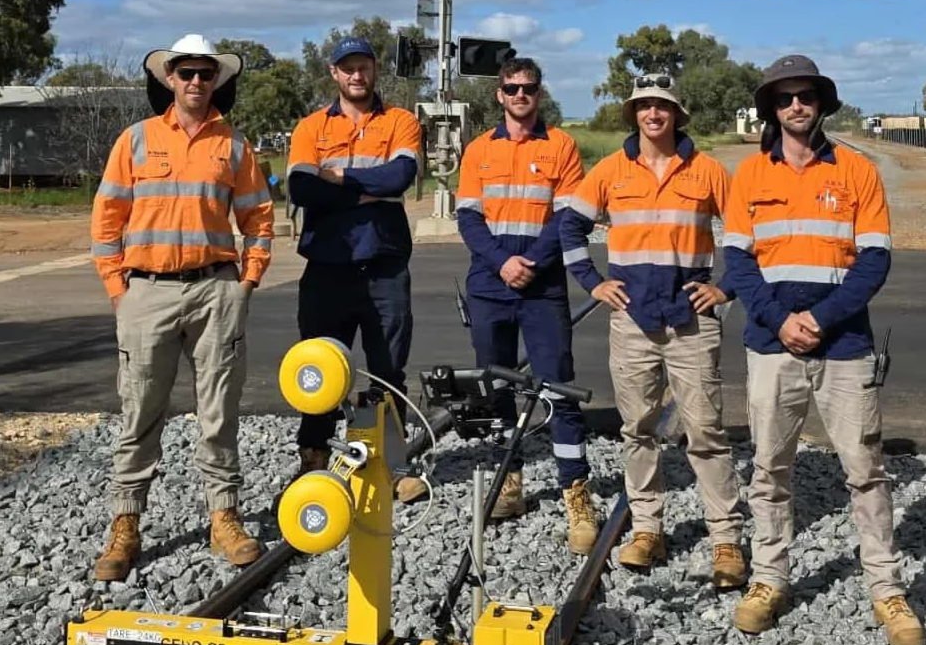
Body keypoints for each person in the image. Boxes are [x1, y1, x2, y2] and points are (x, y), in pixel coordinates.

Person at [722, 53, 925, 645]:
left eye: (805, 95)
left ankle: (887, 588)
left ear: (821, 102)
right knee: (769, 468)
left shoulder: (858, 171)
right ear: (771, 109)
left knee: (865, 471)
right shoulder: (749, 176)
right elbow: (738, 263)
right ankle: (768, 579)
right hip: (770, 344)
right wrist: (782, 320)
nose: (795, 106)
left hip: (845, 345)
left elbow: (875, 262)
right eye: (783, 99)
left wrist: (817, 318)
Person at [88, 33, 276, 582]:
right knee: (140, 411)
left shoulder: (235, 146)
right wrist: (119, 291)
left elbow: (258, 220)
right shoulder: (136, 140)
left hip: (216, 290)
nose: (196, 81)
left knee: (218, 411)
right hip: (145, 293)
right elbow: (107, 221)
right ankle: (125, 525)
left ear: (217, 80)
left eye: (205, 73)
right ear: (168, 78)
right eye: (186, 72)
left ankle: (224, 517)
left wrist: (246, 282)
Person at [560, 74, 749, 590]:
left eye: (661, 106)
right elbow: (569, 226)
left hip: (691, 320)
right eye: (643, 106)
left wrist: (726, 289)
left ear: (677, 114)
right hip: (632, 320)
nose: (652, 114)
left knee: (706, 431)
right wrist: (593, 283)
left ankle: (725, 539)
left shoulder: (708, 171)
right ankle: (647, 528)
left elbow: (745, 233)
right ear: (633, 114)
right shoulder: (610, 171)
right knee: (637, 428)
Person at [429, 56, 600, 552]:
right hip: (490, 285)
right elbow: (468, 220)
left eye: (528, 87)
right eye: (511, 88)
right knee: (495, 387)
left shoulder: (562, 146)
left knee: (558, 387)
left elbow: (567, 220)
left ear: (539, 93)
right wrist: (503, 263)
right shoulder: (479, 150)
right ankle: (510, 479)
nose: (520, 95)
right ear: (499, 95)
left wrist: (530, 262)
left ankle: (575, 491)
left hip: (543, 287)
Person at [286, 35, 422, 474]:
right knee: (321, 369)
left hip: (385, 266)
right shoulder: (311, 127)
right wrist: (365, 194)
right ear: (334, 74)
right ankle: (314, 458)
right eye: (348, 68)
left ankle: (387, 466)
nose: (356, 75)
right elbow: (302, 188)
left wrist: (338, 177)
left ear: (375, 69)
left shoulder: (401, 121)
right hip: (327, 268)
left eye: (363, 66)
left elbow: (399, 176)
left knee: (387, 371)